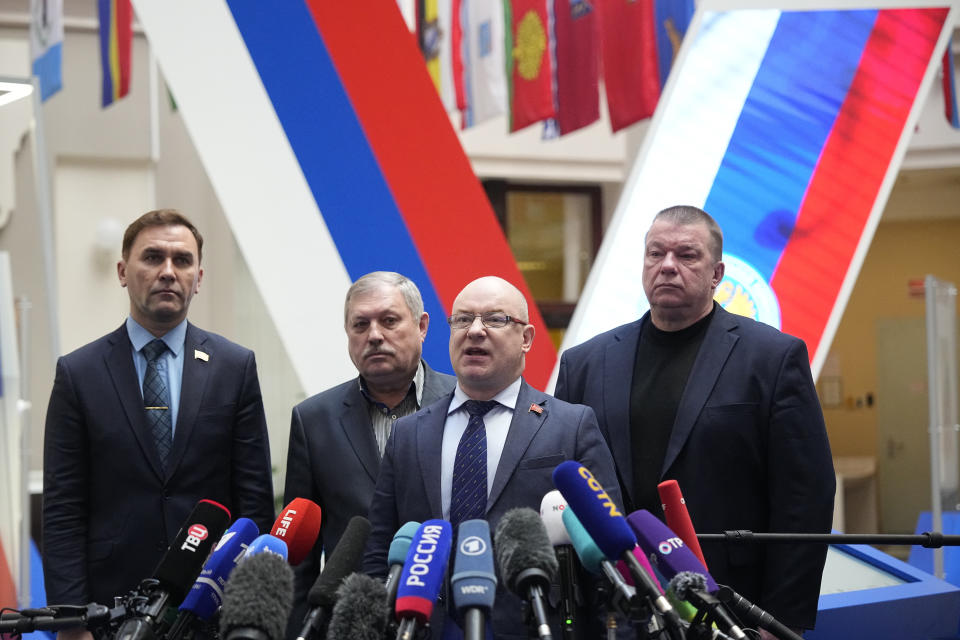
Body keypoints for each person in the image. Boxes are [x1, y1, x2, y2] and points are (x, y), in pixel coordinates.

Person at [554, 205, 835, 636]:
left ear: (717, 273)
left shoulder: (773, 358)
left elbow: (805, 499)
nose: (667, 266)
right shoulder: (585, 363)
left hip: (731, 605)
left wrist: (778, 622)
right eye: (655, 254)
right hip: (616, 605)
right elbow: (566, 495)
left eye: (687, 255)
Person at [42, 210, 275, 624]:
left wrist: (247, 612)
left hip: (209, 606)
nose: (168, 271)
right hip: (107, 610)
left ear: (199, 278)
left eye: (182, 260)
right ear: (122, 271)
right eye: (152, 257)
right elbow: (63, 510)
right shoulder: (79, 373)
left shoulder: (234, 367)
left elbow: (253, 504)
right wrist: (70, 621)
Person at [363, 276, 621, 639]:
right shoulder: (409, 434)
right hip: (427, 627)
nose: (475, 331)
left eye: (495, 319)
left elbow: (609, 549)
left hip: (535, 627)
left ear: (527, 338)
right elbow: (380, 549)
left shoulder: (571, 426)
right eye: (463, 319)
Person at [281, 271, 455, 632]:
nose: (374, 335)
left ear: (422, 326)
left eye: (389, 321)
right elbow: (301, 554)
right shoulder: (314, 420)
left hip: (446, 619)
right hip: (352, 622)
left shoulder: (463, 404)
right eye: (360, 325)